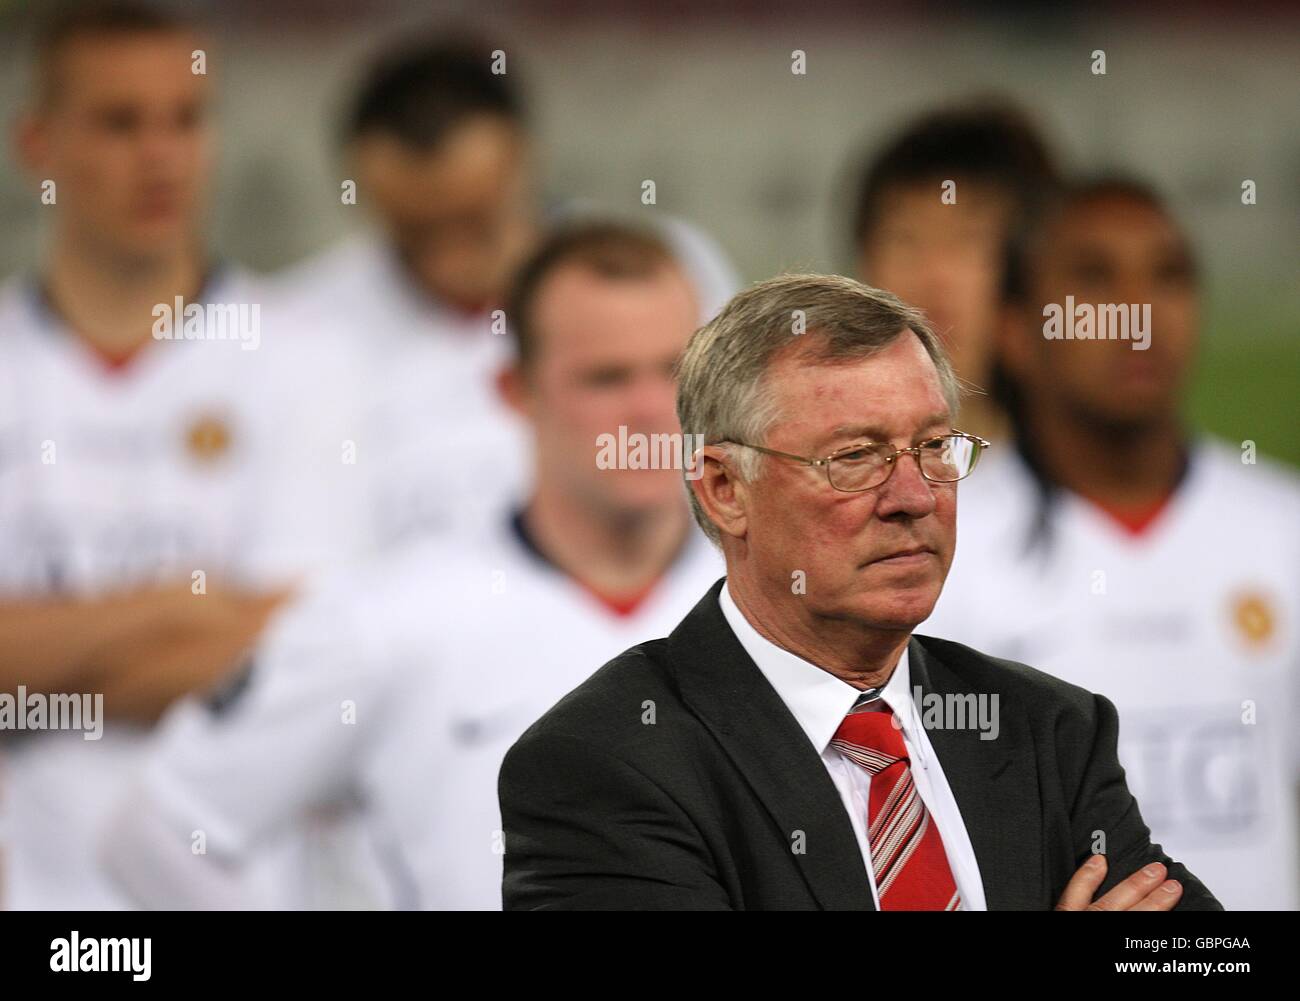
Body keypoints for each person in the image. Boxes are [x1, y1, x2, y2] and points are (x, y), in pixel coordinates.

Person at [497, 272, 1221, 911]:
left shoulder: (1047, 729)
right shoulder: (608, 765)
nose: (914, 495)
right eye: (855, 456)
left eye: (935, 446)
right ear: (725, 488)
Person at [100, 222, 723, 909]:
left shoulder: (786, 604)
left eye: (675, 370)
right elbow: (158, 832)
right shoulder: (386, 615)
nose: (649, 410)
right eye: (605, 377)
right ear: (515, 390)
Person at [0, 1, 349, 910]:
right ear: (37, 142)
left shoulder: (303, 352)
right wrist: (178, 607)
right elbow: (234, 630)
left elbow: (297, 652)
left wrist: (34, 660)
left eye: (185, 120)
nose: (159, 155)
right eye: (120, 123)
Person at [925, 177, 1300, 910]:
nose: (1139, 313)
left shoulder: (1284, 526)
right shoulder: (942, 549)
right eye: (1094, 280)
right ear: (1016, 329)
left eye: (1170, 275)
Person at [272, 34, 739, 548]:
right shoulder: (300, 322)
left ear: (523, 161)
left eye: (474, 223)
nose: (448, 260)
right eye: (415, 232)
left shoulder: (666, 272)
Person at [849, 100, 1060, 441]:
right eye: (905, 239)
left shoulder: (1086, 483)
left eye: (968, 240)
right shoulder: (816, 481)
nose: (935, 274)